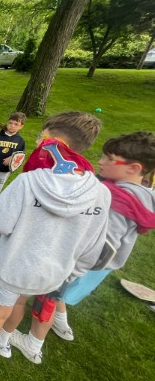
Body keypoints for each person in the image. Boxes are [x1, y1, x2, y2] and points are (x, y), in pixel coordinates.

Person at [0, 111, 111, 381]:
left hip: (14, 265)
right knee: (21, 302)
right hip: (53, 271)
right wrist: (73, 272)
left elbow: (1, 222)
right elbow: (93, 243)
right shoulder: (100, 192)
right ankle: (3, 341)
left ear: (53, 141)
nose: (37, 141)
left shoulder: (29, 181)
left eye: (41, 135)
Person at [47, 131, 155, 342]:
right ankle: (60, 321)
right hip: (97, 266)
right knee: (58, 295)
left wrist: (71, 271)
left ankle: (35, 340)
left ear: (134, 168)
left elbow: (104, 245)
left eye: (110, 159)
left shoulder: (116, 200)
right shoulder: (141, 192)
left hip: (84, 263)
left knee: (52, 294)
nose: (101, 161)